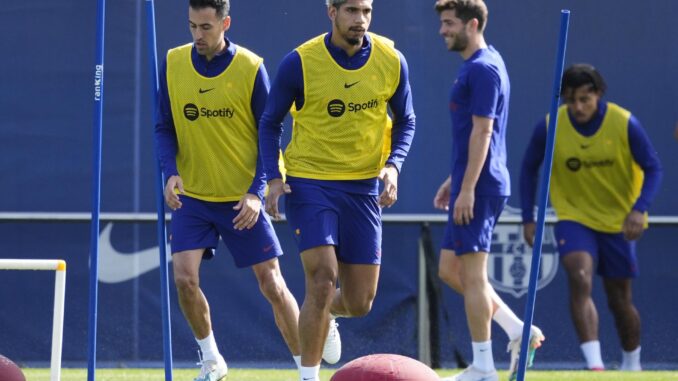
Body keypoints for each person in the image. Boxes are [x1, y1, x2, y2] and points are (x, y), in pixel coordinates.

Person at [259, 1, 416, 380]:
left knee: (360, 302)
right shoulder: (299, 62)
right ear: (331, 12)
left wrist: (393, 166)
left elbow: (406, 119)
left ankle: (326, 313)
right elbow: (269, 122)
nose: (359, 20)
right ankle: (308, 376)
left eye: (366, 11)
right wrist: (273, 178)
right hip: (310, 182)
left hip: (362, 188)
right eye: (350, 11)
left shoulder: (392, 59)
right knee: (322, 278)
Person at [154, 1, 302, 380]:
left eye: (206, 27)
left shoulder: (251, 67)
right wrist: (170, 173)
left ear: (226, 23)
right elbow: (164, 127)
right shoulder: (173, 62)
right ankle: (211, 358)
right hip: (194, 198)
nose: (197, 35)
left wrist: (256, 191)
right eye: (192, 26)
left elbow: (269, 132)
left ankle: (307, 369)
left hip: (241, 199)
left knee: (271, 282)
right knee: (184, 278)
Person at [520, 64, 663, 371]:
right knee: (579, 275)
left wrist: (639, 209)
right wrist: (528, 217)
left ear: (599, 94)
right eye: (571, 100)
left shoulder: (624, 123)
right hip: (574, 217)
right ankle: (595, 366)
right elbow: (528, 169)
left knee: (619, 300)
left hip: (618, 222)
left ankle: (631, 365)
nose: (578, 107)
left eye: (585, 98)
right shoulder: (550, 126)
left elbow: (654, 168)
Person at [433, 1, 544, 380]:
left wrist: (467, 188)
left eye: (449, 23)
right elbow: (477, 136)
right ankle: (518, 330)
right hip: (474, 180)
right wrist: (456, 179)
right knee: (451, 269)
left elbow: (484, 132)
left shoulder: (483, 69)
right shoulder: (481, 63)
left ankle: (483, 368)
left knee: (474, 276)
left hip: (480, 188)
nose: (442, 31)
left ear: (473, 24)